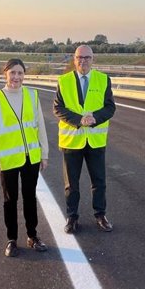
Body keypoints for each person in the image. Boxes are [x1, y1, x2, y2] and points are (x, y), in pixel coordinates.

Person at [0, 58, 49, 257]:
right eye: (12, 72)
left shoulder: (32, 95)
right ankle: (12, 240)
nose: (16, 77)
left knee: (30, 198)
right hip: (8, 160)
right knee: (10, 200)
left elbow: (40, 126)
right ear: (5, 74)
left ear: (24, 75)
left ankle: (33, 236)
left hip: (31, 157)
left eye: (20, 73)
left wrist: (44, 154)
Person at [53, 45, 116, 234]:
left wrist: (95, 118)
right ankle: (72, 217)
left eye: (87, 57)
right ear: (74, 59)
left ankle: (100, 215)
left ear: (93, 59)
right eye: (79, 57)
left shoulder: (103, 79)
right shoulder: (63, 81)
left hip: (95, 142)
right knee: (71, 184)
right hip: (71, 141)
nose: (83, 61)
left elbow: (110, 107)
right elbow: (58, 108)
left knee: (99, 181)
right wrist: (79, 120)